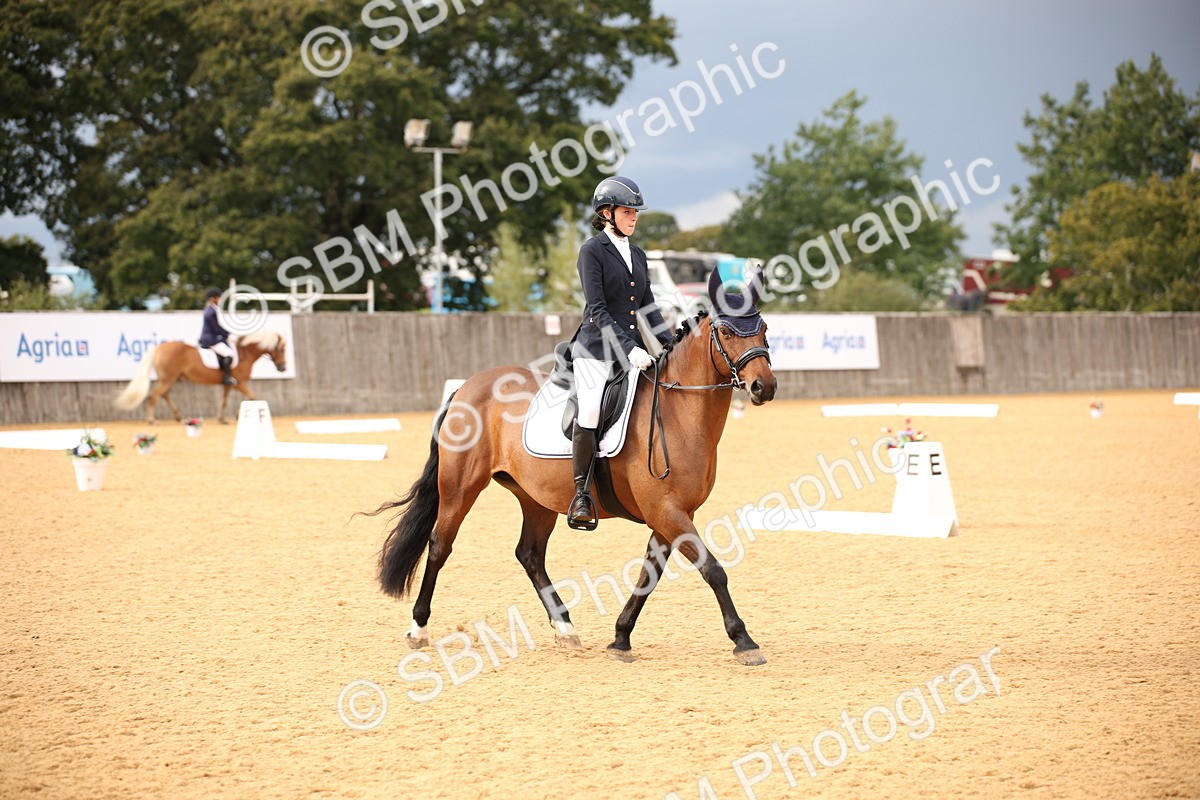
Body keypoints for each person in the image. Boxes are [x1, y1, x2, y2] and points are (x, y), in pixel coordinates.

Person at [567, 176, 675, 531]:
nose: (634, 217)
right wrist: (630, 349)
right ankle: (581, 494)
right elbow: (598, 309)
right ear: (606, 212)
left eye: (635, 212)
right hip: (595, 351)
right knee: (592, 409)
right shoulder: (592, 250)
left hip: (632, 352)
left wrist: (671, 344)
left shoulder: (638, 255)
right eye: (628, 211)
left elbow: (649, 309)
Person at [199, 287, 237, 386]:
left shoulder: (209, 310)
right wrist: (228, 335)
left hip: (210, 337)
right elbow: (217, 328)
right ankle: (226, 377)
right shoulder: (211, 312)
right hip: (210, 339)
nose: (220, 300)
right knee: (229, 353)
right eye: (218, 298)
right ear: (213, 299)